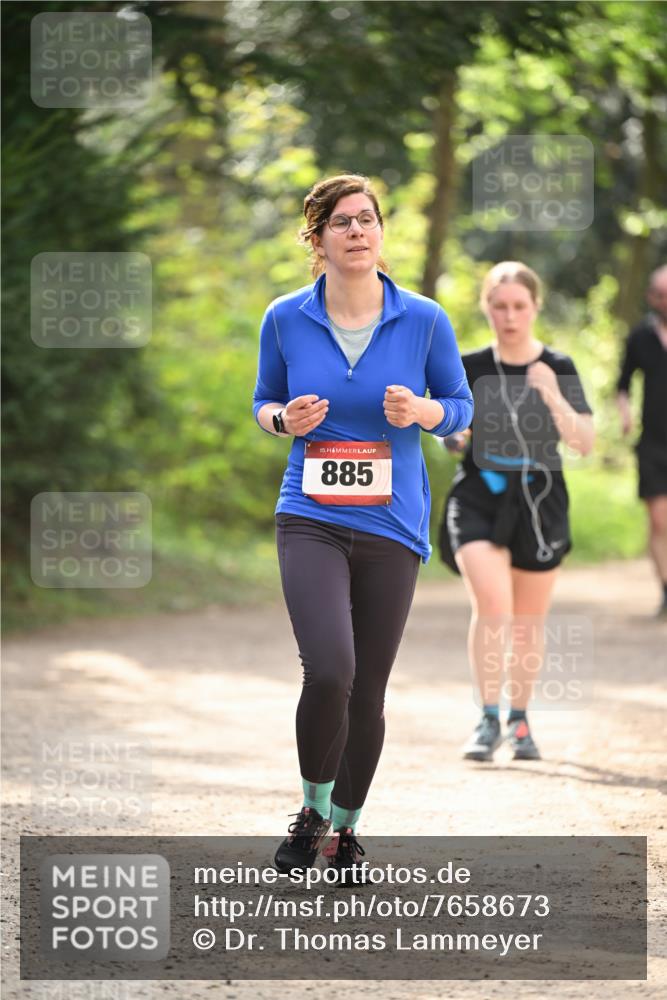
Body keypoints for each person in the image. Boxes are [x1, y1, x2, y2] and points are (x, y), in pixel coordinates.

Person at [252, 174, 473, 878]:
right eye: (341, 222)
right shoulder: (285, 317)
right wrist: (285, 420)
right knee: (330, 670)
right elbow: (263, 401)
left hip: (390, 522)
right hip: (310, 514)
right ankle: (312, 807)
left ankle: (345, 832)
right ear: (315, 240)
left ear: (380, 232)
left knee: (368, 689)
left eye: (367, 219)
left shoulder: (424, 320)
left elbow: (460, 405)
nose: (356, 231)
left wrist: (423, 412)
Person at [438, 261, 595, 762]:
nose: (508, 316)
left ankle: (519, 720)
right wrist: (453, 434)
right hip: (478, 495)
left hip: (540, 500)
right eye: (499, 306)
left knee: (527, 622)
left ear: (535, 307)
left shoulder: (559, 364)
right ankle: (487, 720)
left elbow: (584, 441)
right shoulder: (468, 364)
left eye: (518, 306)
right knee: (494, 607)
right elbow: (449, 431)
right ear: (486, 306)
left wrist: (548, 390)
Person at [616, 264, 667, 617]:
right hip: (652, 442)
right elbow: (621, 384)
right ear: (651, 297)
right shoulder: (640, 337)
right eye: (661, 295)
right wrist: (625, 414)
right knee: (660, 521)